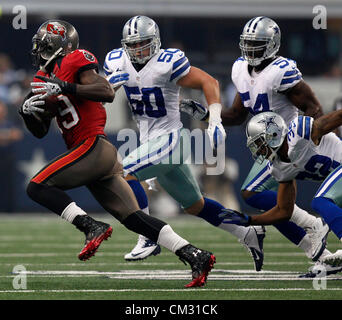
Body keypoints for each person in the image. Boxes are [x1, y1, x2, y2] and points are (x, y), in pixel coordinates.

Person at [19, 20, 216, 288]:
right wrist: (28, 113)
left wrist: (64, 88)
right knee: (134, 219)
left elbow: (106, 92)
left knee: (36, 186)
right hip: (89, 153)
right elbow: (40, 130)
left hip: (93, 146)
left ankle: (90, 226)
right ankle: (195, 255)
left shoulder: (77, 59)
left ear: (62, 47)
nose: (40, 52)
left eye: (45, 47)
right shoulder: (42, 79)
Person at [103, 15, 265, 271]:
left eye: (142, 43)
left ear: (155, 42)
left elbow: (208, 82)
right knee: (195, 205)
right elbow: (102, 97)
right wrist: (106, 88)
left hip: (170, 140)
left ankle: (147, 235)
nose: (137, 50)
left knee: (123, 173)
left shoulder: (166, 62)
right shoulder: (116, 61)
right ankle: (247, 231)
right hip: (152, 142)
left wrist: (214, 121)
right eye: (132, 45)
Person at [180, 16, 329, 267]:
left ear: (272, 45)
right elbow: (238, 115)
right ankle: (321, 255)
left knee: (254, 193)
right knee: (262, 200)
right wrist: (207, 114)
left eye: (256, 44)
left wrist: (302, 142)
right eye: (247, 43)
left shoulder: (280, 72)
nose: (250, 49)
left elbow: (315, 109)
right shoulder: (240, 68)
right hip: (270, 147)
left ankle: (314, 225)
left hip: (289, 142)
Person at [222, 110, 342, 277]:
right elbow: (284, 210)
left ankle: (326, 235)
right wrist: (249, 220)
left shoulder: (299, 132)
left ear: (273, 134)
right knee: (325, 201)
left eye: (259, 144)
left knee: (320, 202)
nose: (258, 151)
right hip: (338, 182)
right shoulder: (278, 167)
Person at [0, 100, 23, 211]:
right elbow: (12, 135)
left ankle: (9, 208)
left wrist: (4, 136)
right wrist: (8, 135)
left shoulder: (8, 123)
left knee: (8, 185)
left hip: (7, 158)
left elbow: (17, 135)